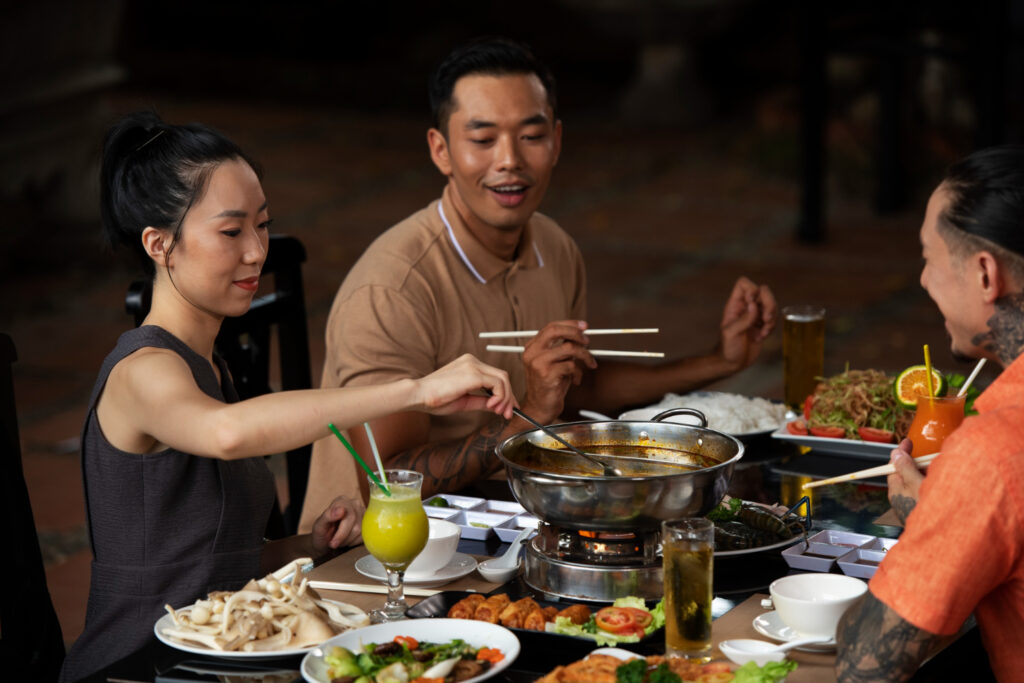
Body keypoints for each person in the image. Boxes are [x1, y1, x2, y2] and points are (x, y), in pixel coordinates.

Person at [59, 112, 516, 682]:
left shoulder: (211, 368)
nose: (256, 251)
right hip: (140, 667)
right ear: (160, 245)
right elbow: (227, 434)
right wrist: (416, 391)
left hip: (224, 656)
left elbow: (213, 566)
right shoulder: (144, 371)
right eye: (231, 232)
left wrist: (309, 543)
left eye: (262, 226)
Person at [299, 38, 776, 527]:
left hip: (512, 520)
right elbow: (387, 481)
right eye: (482, 139)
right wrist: (531, 411)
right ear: (440, 150)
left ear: (557, 142)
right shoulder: (391, 289)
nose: (510, 160)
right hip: (377, 553)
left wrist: (720, 360)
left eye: (531, 135)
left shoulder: (553, 244)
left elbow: (576, 385)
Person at [835, 146, 1024, 681]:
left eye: (929, 257)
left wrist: (930, 516)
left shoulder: (992, 452)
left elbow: (866, 667)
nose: (922, 280)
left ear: (986, 275)